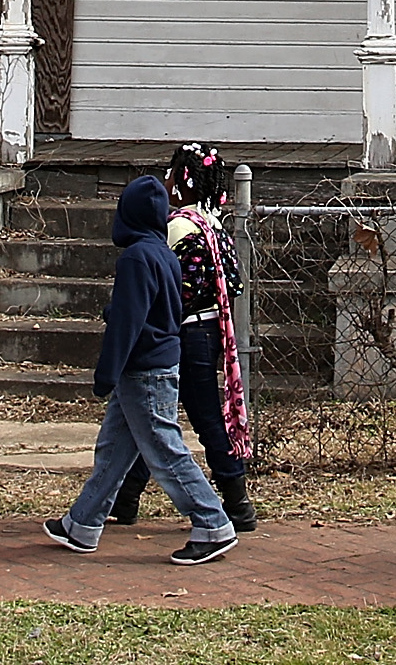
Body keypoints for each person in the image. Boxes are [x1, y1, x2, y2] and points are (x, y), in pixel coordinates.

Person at [42, 174, 236, 565]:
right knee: (114, 448)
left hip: (143, 368)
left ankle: (213, 523)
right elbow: (160, 310)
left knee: (164, 449)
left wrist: (105, 373)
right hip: (158, 361)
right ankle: (82, 524)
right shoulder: (163, 252)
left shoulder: (135, 257)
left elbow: (128, 321)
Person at [111, 141, 256, 533]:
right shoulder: (215, 227)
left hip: (184, 331)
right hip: (207, 331)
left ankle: (235, 502)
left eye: (172, 174)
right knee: (152, 416)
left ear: (185, 181)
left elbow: (164, 283)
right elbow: (233, 284)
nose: (167, 181)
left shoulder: (177, 228)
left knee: (195, 416)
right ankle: (126, 496)